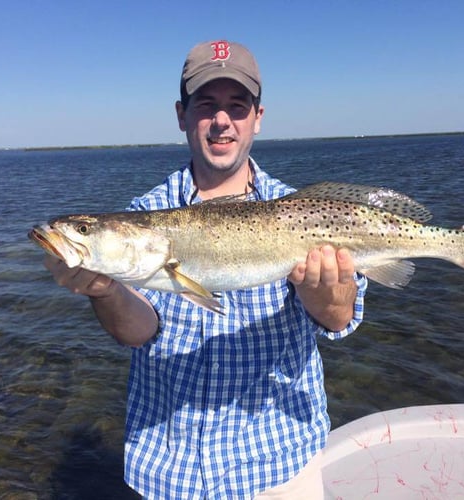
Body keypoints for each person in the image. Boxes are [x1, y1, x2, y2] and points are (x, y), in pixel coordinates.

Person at [44, 40, 367, 499]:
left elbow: (339, 318)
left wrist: (323, 295)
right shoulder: (147, 211)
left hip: (281, 465)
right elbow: (139, 330)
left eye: (237, 106)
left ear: (258, 117)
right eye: (206, 105)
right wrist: (104, 290)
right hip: (169, 472)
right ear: (182, 114)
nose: (222, 121)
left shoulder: (305, 211)